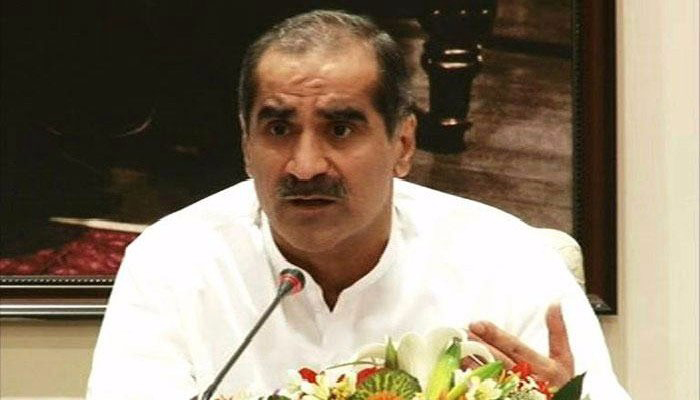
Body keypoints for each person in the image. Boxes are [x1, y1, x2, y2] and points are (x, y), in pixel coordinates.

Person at [87, 10, 629, 399]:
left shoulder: (507, 260)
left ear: (403, 144)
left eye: (341, 128)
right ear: (246, 145)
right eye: (278, 129)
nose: (305, 166)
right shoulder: (172, 260)